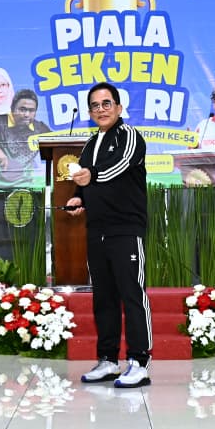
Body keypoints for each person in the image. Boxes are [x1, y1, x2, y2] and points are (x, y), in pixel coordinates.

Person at [67, 82, 153, 389]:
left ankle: (140, 362)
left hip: (126, 228)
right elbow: (86, 180)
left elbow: (118, 167)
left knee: (132, 294)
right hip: (98, 230)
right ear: (89, 112)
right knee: (103, 297)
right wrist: (80, 198)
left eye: (106, 104)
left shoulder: (129, 136)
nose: (101, 110)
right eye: (95, 105)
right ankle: (108, 360)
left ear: (118, 107)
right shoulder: (92, 142)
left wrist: (91, 177)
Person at [0, 88, 51, 191]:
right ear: (12, 109)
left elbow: (57, 146)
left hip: (25, 190)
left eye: (31, 111)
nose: (26, 114)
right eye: (22, 109)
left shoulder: (40, 128)